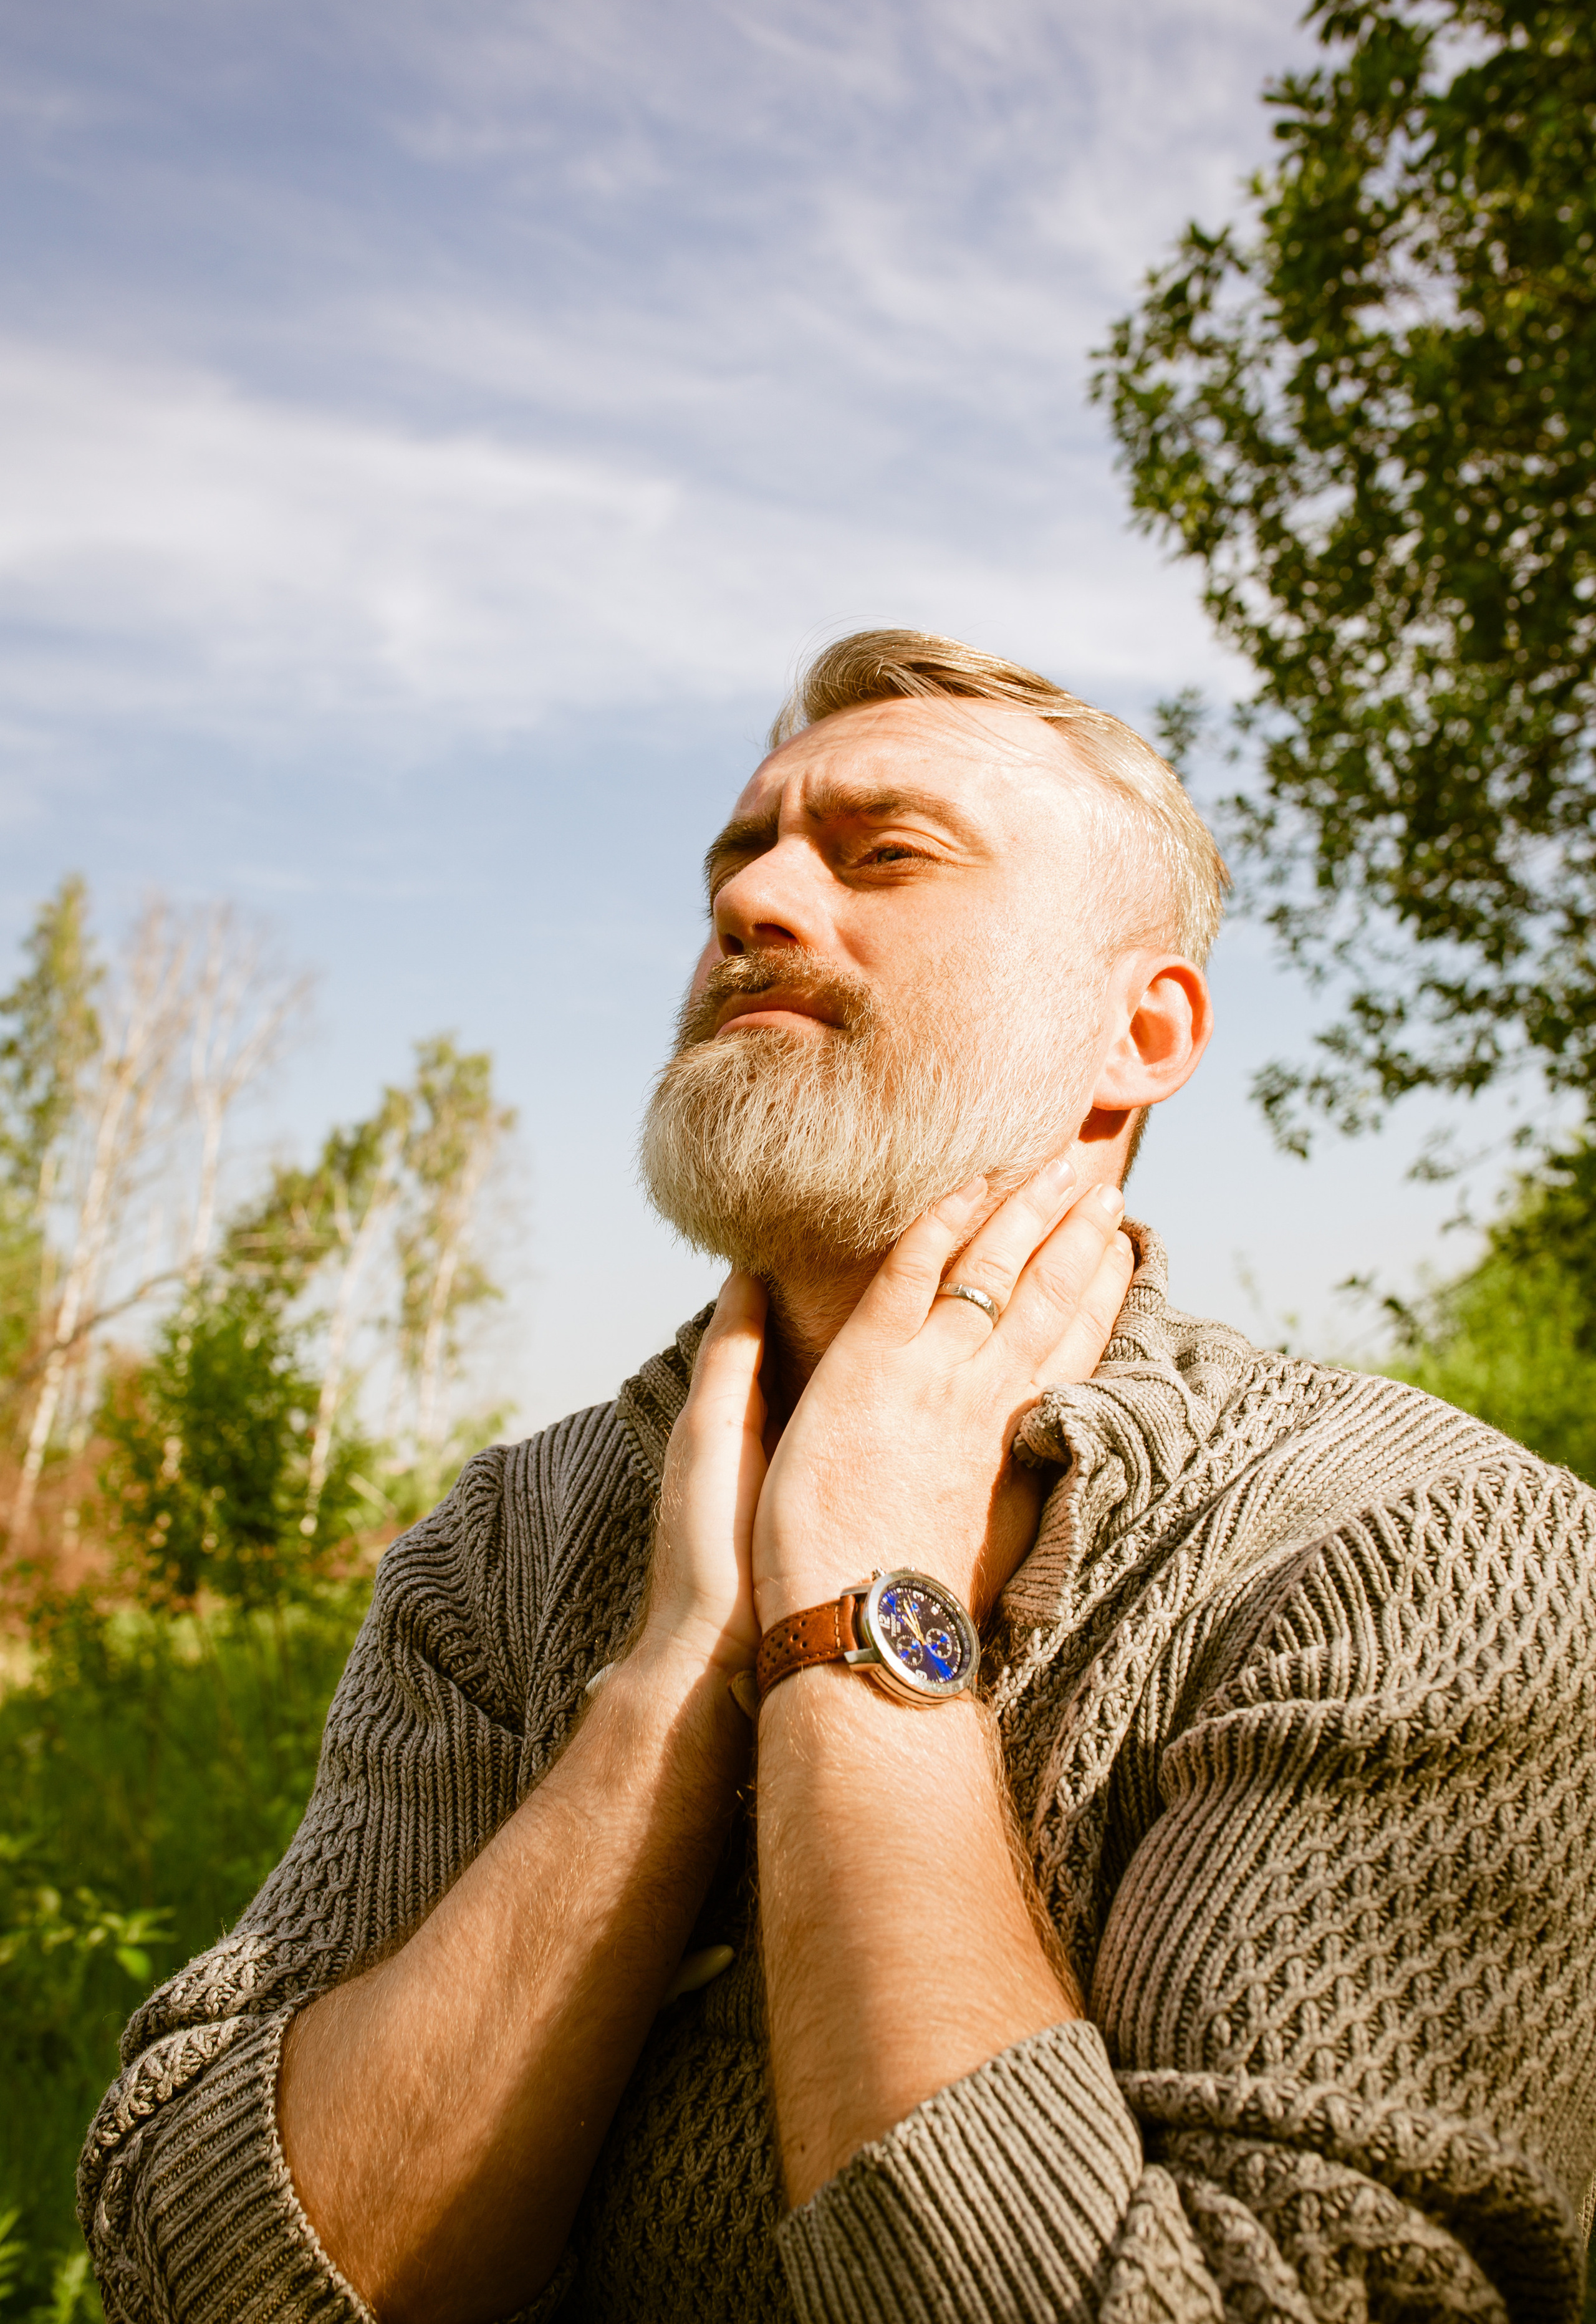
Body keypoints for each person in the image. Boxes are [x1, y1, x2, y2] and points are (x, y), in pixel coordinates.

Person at [82, 630, 1596, 2324]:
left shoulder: (1427, 1548)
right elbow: (194, 2281)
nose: (755, 905)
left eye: (885, 855)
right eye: (740, 860)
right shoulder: (503, 1542)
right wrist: (667, 1688)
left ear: (1142, 1030)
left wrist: (858, 1604)